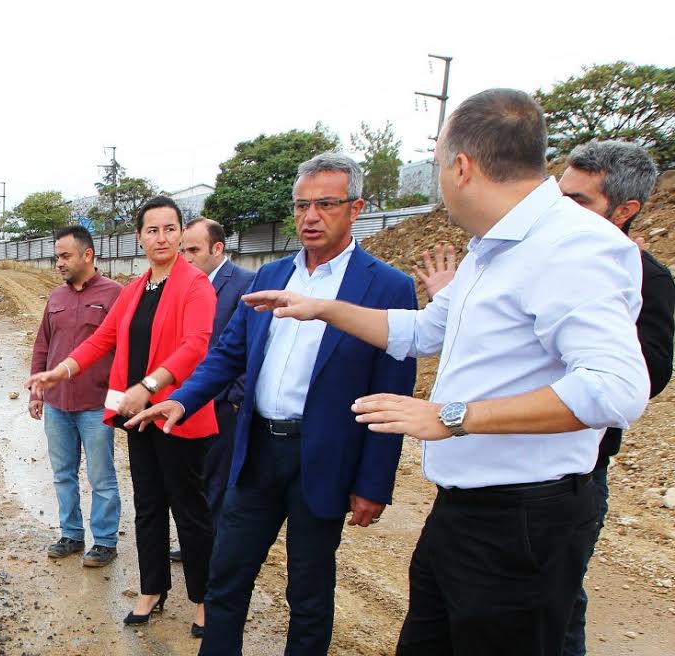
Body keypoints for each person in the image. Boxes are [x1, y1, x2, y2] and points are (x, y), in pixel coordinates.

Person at [239, 89, 649, 654]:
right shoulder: (492, 247)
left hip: (522, 520)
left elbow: (616, 389)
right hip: (464, 508)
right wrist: (322, 308)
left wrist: (453, 416)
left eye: (436, 165)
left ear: (461, 166)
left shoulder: (572, 246)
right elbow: (426, 330)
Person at [127, 153, 417, 654]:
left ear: (356, 208)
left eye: (326, 204)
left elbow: (393, 393)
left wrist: (374, 482)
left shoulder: (387, 287)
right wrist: (183, 401)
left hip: (322, 457)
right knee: (227, 576)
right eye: (302, 205)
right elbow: (228, 354)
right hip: (258, 450)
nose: (310, 216)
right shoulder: (271, 276)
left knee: (308, 589)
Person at [414, 139, 673, 656]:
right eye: (562, 191)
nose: (559, 206)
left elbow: (626, 384)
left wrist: (459, 415)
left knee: (554, 616)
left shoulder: (632, 272)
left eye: (579, 200)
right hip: (480, 489)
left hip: (555, 485)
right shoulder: (514, 252)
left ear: (625, 210)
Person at [27, 196, 217, 632]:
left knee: (189, 509)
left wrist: (147, 386)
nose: (162, 238)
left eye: (170, 229)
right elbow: (101, 340)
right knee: (148, 505)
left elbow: (197, 345)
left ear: (181, 232)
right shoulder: (133, 291)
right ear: (140, 237)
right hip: (137, 416)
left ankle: (204, 599)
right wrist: (60, 371)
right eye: (153, 230)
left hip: (176, 414)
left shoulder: (195, 285)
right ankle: (153, 590)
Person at [29, 224, 125, 566]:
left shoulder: (115, 295)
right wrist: (36, 392)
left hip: (95, 404)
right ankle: (70, 534)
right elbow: (43, 344)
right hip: (57, 404)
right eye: (57, 257)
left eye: (65, 256)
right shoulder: (56, 297)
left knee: (101, 477)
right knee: (63, 474)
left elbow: (125, 351)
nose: (59, 263)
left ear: (88, 255)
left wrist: (120, 399)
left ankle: (105, 541)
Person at [179, 217, 257, 523]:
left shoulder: (245, 284)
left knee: (219, 478)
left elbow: (253, 345)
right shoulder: (183, 285)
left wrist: (235, 397)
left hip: (223, 403)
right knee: (192, 474)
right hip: (190, 398)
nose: (186, 258)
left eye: (194, 250)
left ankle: (214, 542)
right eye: (183, 250)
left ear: (217, 248)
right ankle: (196, 538)